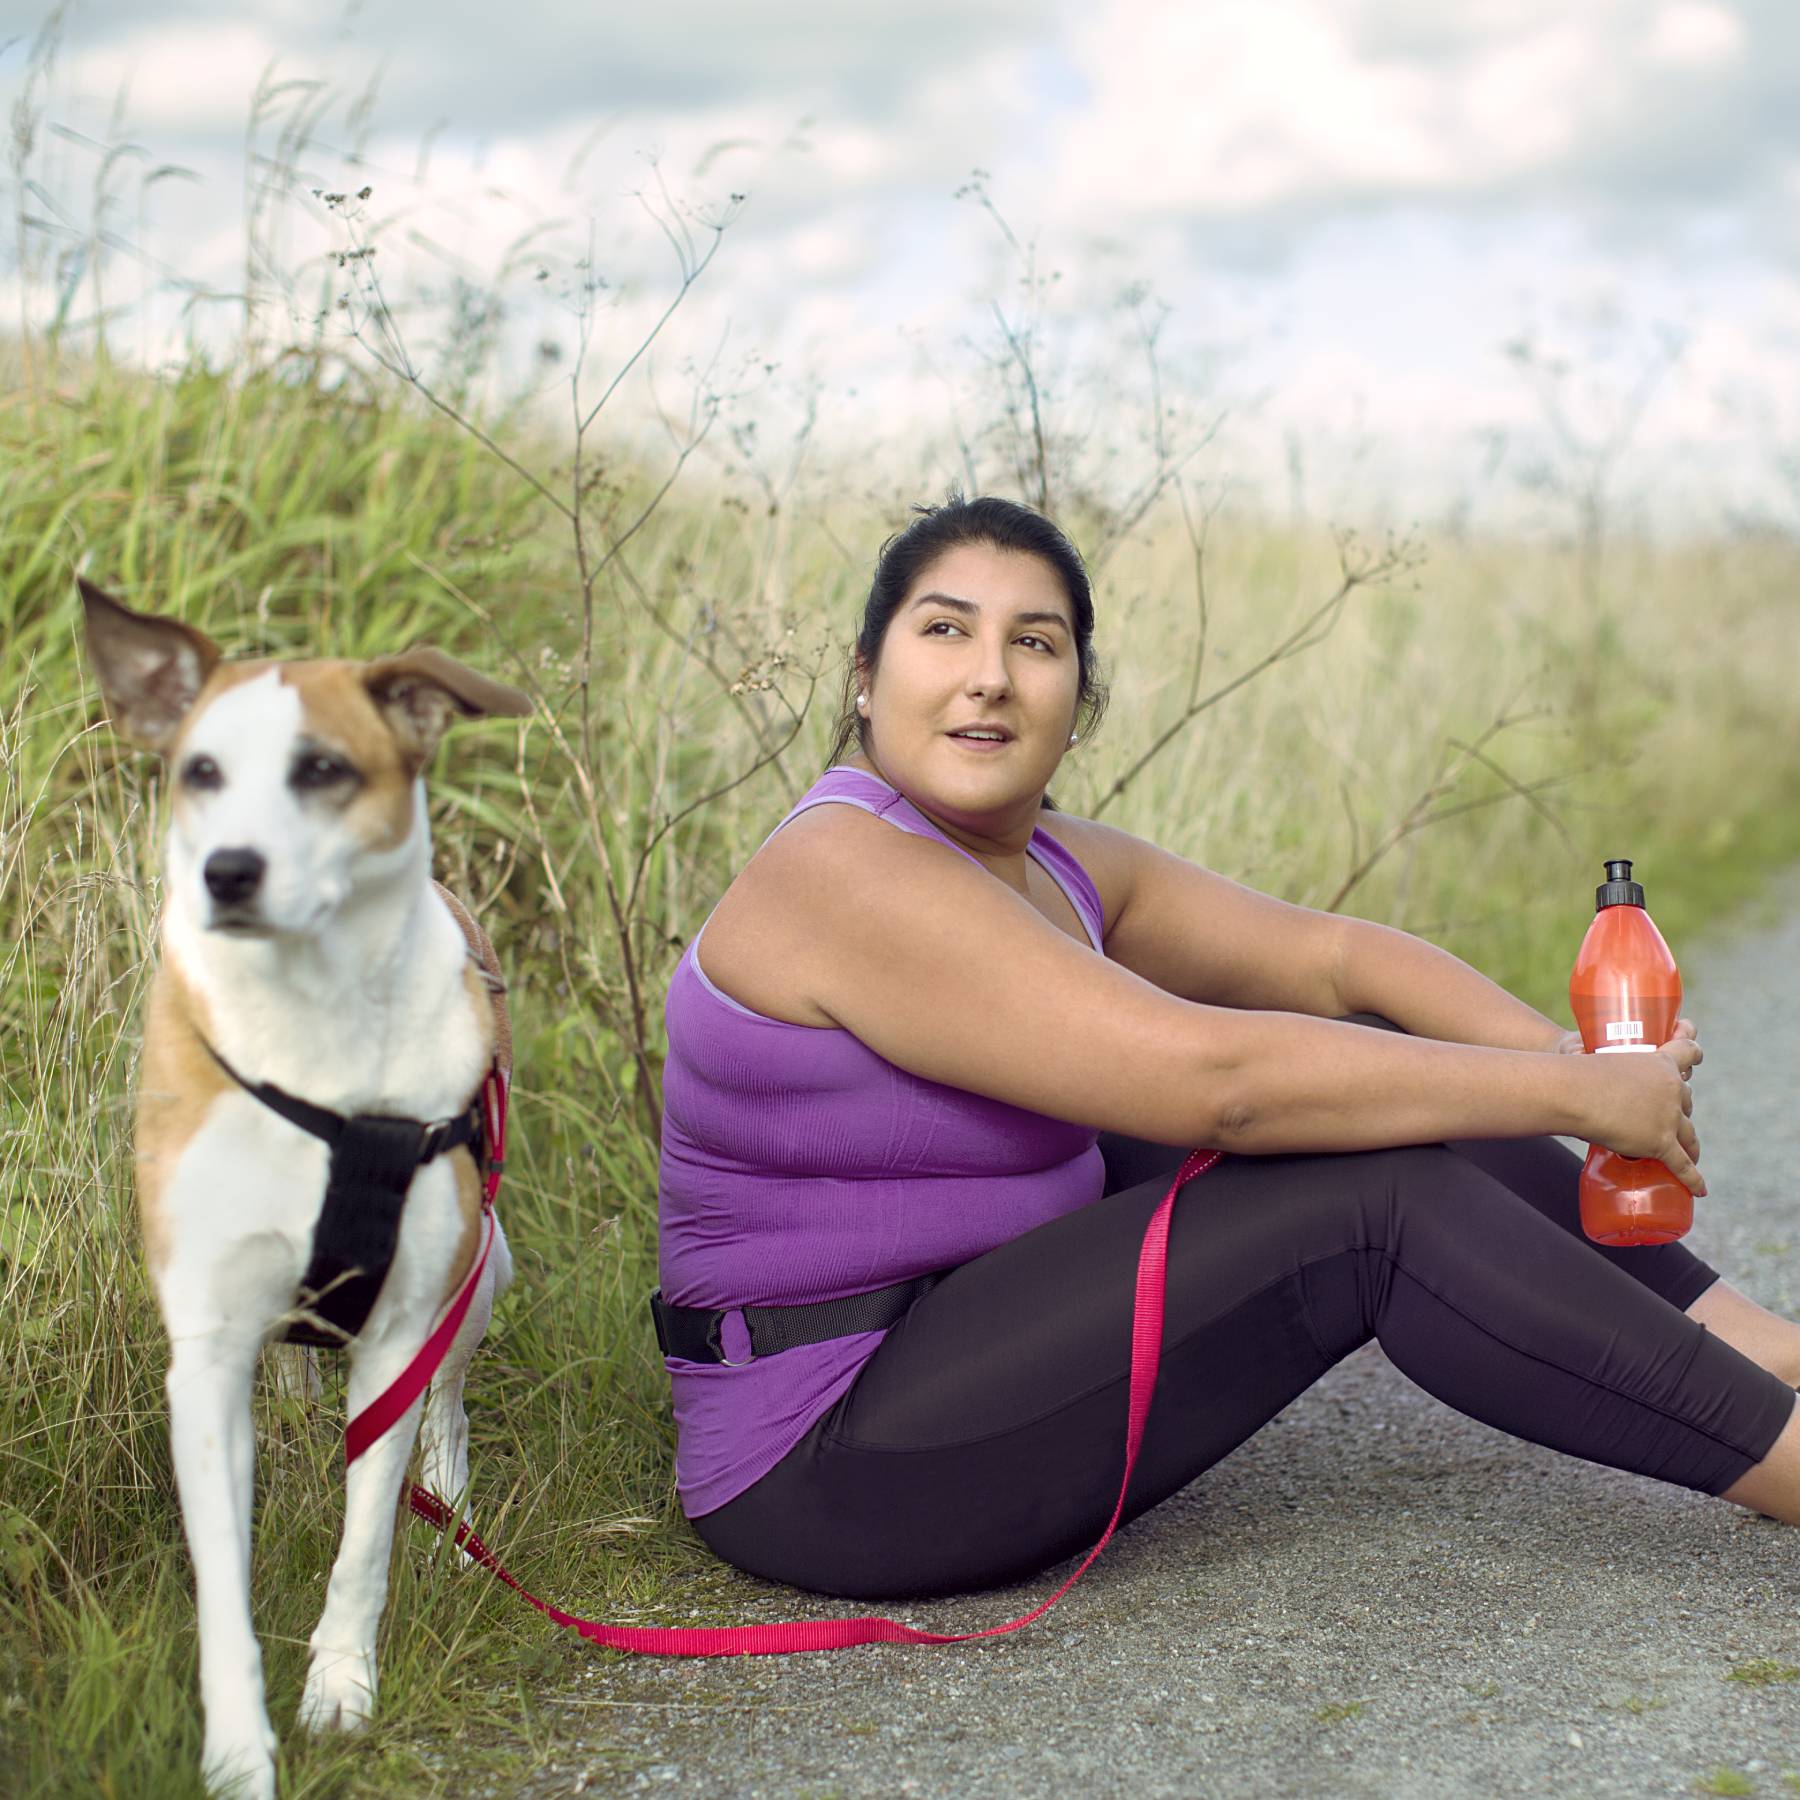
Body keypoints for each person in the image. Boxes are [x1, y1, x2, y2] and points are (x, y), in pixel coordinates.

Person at [653, 494, 1800, 1601]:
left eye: (1035, 642)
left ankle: (1764, 1353)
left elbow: (1339, 963)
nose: (989, 674)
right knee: (1371, 1196)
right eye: (944, 628)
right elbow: (1222, 1090)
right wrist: (1579, 1095)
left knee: (1365, 1067)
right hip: (825, 1454)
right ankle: (1785, 1457)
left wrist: (1567, 1063)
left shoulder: (1052, 863)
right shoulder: (841, 870)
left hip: (967, 1334)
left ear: (1078, 695)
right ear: (865, 676)